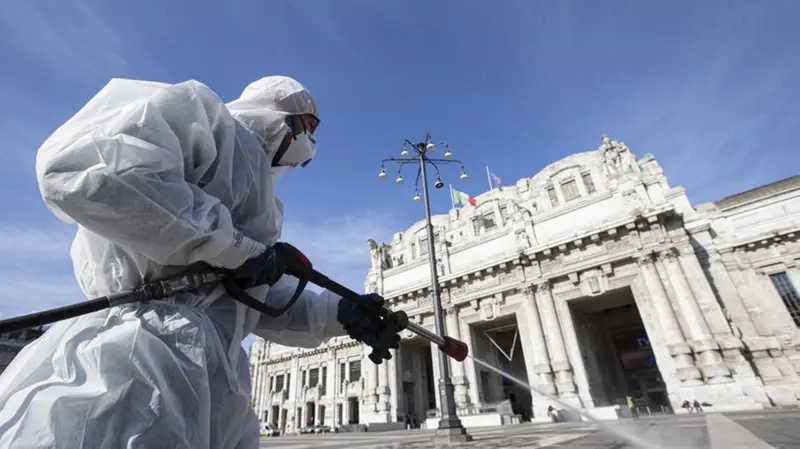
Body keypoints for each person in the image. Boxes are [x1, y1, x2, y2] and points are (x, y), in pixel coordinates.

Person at [0, 76, 393, 449]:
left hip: (218, 380)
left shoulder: (265, 202)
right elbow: (85, 170)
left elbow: (245, 297)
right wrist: (238, 248)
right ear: (277, 112)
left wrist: (338, 313)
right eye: (306, 127)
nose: (308, 143)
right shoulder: (203, 119)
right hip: (141, 353)